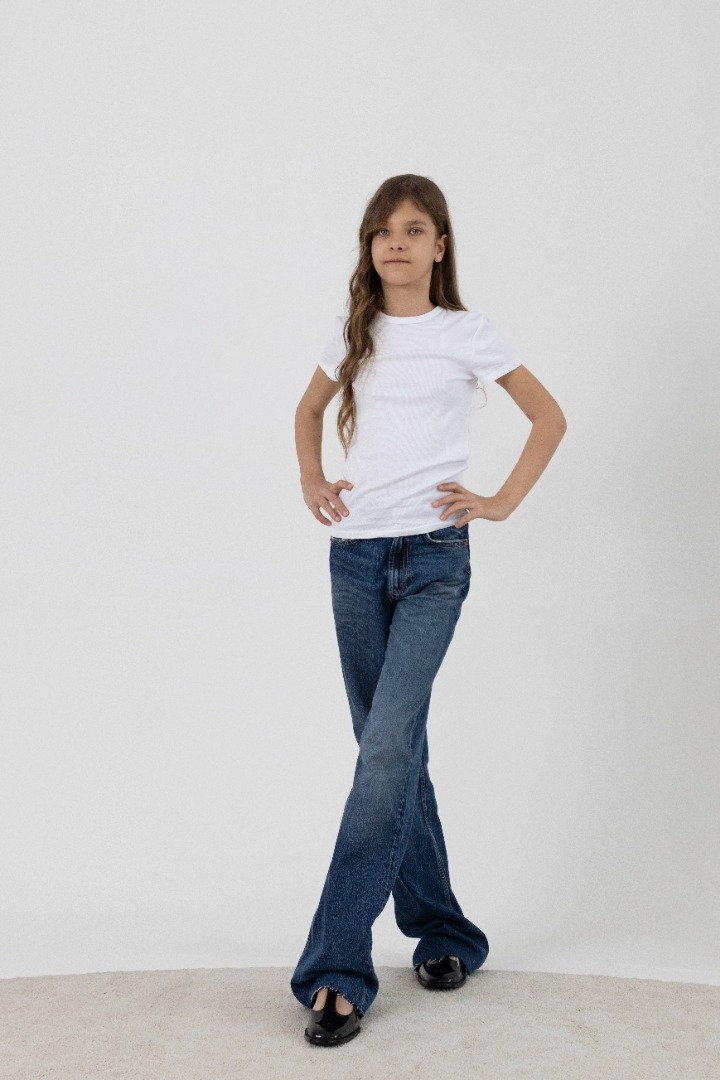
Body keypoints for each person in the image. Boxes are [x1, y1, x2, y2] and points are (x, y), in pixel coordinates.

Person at [291, 174, 566, 1046]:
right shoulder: (354, 332)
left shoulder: (466, 332)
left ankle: (337, 969)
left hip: (435, 560)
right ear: (370, 247)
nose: (396, 243)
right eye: (383, 231)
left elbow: (548, 417)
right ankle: (444, 931)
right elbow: (308, 410)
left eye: (414, 230)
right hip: (355, 559)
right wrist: (312, 477)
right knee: (395, 751)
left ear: (440, 245)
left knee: (385, 752)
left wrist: (499, 501)